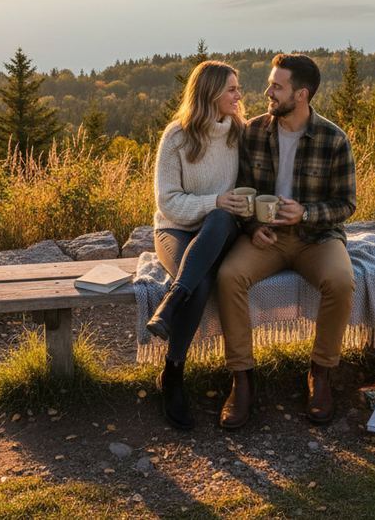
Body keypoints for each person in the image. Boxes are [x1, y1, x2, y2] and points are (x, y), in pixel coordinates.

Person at [216, 53, 356, 429]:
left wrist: (307, 214)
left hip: (317, 238)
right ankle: (242, 379)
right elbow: (242, 192)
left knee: (342, 281)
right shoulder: (254, 132)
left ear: (302, 94)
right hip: (267, 238)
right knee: (229, 276)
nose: (268, 92)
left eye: (277, 86)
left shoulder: (333, 139)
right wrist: (249, 228)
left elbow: (346, 204)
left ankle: (321, 374)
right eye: (270, 84)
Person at [148, 60, 248, 429]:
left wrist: (222, 207)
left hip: (220, 230)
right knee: (201, 282)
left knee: (221, 218)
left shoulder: (240, 133)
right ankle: (172, 374)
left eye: (238, 88)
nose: (239, 95)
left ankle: (171, 301)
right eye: (232, 89)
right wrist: (214, 201)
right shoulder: (177, 136)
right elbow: (168, 203)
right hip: (175, 230)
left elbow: (236, 200)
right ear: (210, 93)